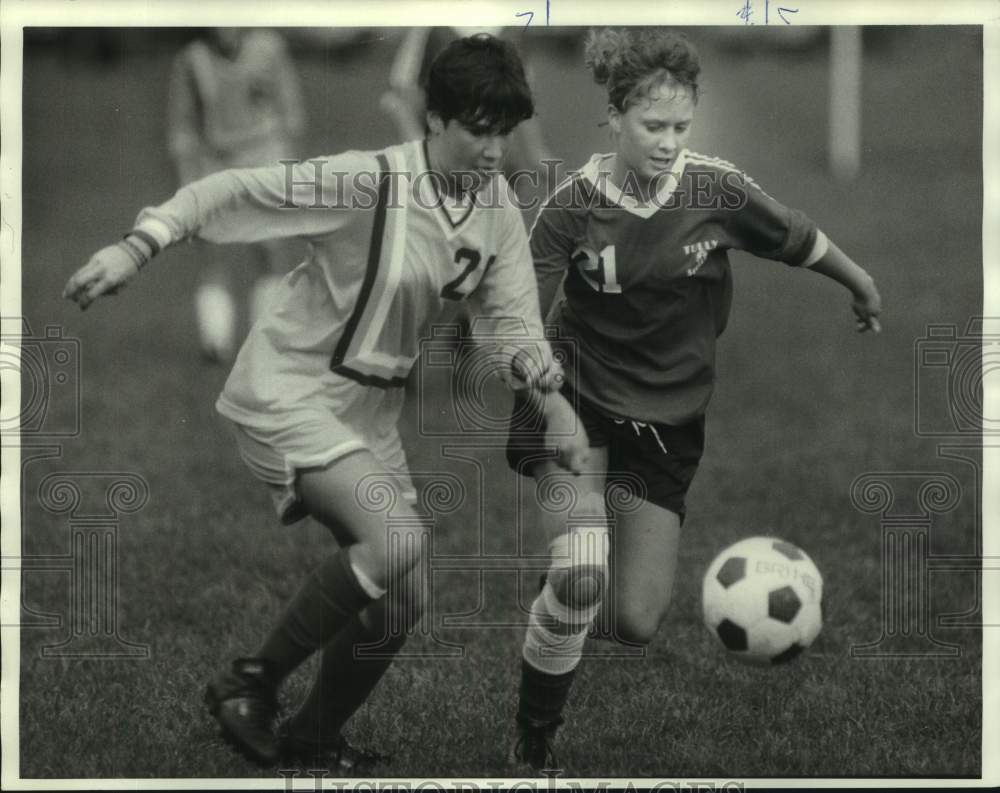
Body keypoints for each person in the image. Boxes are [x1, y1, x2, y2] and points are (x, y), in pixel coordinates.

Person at [64, 33, 588, 771]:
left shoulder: (497, 209)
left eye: (504, 130)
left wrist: (553, 401)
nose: (495, 148)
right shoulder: (366, 181)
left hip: (369, 417)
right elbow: (232, 188)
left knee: (403, 600)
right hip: (290, 388)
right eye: (477, 127)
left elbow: (511, 328)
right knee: (397, 543)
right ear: (432, 118)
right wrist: (139, 244)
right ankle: (249, 682)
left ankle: (310, 737)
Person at [505, 27, 883, 772]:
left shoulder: (714, 189)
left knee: (637, 619)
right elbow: (518, 325)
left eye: (682, 125)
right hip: (574, 394)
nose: (670, 141)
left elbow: (795, 237)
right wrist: (543, 399)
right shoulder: (571, 206)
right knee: (585, 568)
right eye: (653, 126)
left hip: (668, 416)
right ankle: (533, 736)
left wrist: (859, 280)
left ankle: (559, 598)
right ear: (613, 116)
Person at [167, 27, 306, 363]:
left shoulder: (269, 48)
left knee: (269, 250)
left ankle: (265, 339)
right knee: (213, 251)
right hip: (217, 161)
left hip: (265, 156)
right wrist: (188, 178)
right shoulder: (192, 59)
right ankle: (215, 342)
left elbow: (291, 110)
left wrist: (288, 169)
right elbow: (182, 126)